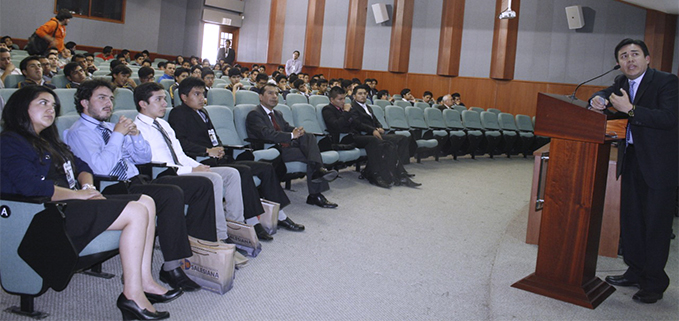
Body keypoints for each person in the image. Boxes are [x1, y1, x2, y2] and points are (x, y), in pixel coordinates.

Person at [0, 86, 173, 319]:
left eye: (53, 105)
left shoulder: (50, 141)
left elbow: (82, 167)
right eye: (43, 103)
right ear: (21, 108)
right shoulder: (11, 142)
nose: (51, 109)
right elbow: (31, 187)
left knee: (146, 201)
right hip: (46, 213)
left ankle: (145, 280)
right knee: (136, 212)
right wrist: (78, 195)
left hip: (73, 205)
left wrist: (88, 188)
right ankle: (132, 295)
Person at [66, 79, 222, 290]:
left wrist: (136, 136)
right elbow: (101, 167)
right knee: (172, 194)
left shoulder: (112, 127)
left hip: (134, 181)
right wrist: (119, 135)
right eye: (101, 98)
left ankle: (202, 254)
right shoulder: (79, 132)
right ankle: (171, 267)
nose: (109, 103)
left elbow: (142, 158)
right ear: (84, 103)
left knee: (201, 186)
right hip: (109, 188)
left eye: (111, 99)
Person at [589, 38, 678, 304]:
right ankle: (635, 271)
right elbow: (606, 93)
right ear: (619, 62)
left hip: (659, 166)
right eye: (624, 56)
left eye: (635, 54)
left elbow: (670, 118)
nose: (630, 60)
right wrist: (598, 98)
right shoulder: (621, 82)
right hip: (632, 161)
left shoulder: (666, 82)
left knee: (655, 227)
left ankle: (654, 282)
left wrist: (631, 110)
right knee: (632, 223)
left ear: (647, 59)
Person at [168, 78, 304, 240]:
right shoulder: (178, 114)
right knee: (244, 171)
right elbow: (181, 143)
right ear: (183, 97)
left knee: (265, 168)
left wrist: (218, 147)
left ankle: (280, 215)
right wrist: (207, 150)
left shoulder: (202, 112)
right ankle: (253, 222)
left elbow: (213, 136)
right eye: (196, 94)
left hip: (219, 157)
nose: (201, 98)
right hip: (200, 161)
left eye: (202, 94)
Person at [133, 82, 244, 243]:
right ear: (143, 104)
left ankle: (236, 227)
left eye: (164, 98)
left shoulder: (163, 124)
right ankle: (220, 236)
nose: (165, 103)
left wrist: (197, 166)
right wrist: (191, 171)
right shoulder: (136, 129)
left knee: (231, 173)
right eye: (158, 100)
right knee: (213, 178)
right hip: (163, 176)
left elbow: (180, 154)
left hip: (181, 170)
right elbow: (155, 165)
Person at [247, 83, 339, 208]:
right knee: (312, 157)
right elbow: (266, 134)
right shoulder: (254, 114)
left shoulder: (277, 113)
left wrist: (297, 130)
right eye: (270, 93)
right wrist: (291, 135)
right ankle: (316, 191)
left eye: (276, 93)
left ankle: (318, 174)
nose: (274, 96)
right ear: (260, 97)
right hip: (271, 150)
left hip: (286, 147)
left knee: (308, 137)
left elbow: (286, 127)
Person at [325, 85, 418, 187]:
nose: (343, 102)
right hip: (344, 139)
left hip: (355, 136)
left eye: (344, 98)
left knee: (387, 144)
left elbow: (355, 123)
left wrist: (377, 128)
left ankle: (397, 174)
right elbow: (337, 126)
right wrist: (347, 112)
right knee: (375, 140)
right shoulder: (328, 109)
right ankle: (376, 174)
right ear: (332, 100)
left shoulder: (346, 109)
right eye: (340, 99)